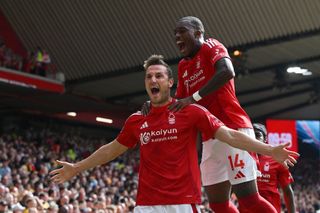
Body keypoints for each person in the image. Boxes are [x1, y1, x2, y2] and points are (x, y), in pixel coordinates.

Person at [50, 55, 298, 213]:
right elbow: (111, 149)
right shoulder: (137, 120)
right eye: (149, 77)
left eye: (159, 75)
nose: (153, 79)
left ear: (170, 83)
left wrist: (268, 150)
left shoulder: (190, 112)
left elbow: (230, 135)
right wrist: (77, 167)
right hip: (145, 206)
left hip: (182, 204)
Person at [166, 16, 276, 213]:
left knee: (249, 199)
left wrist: (194, 98)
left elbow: (227, 71)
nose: (177, 37)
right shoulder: (183, 66)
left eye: (182, 31)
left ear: (198, 33)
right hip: (210, 136)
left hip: (233, 127)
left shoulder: (211, 45)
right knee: (218, 205)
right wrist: (155, 106)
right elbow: (179, 102)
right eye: (175, 33)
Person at [253, 123, 296, 213]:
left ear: (265, 139)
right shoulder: (242, 159)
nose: (255, 138)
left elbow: (287, 191)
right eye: (251, 135)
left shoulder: (277, 160)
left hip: (272, 210)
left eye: (258, 135)